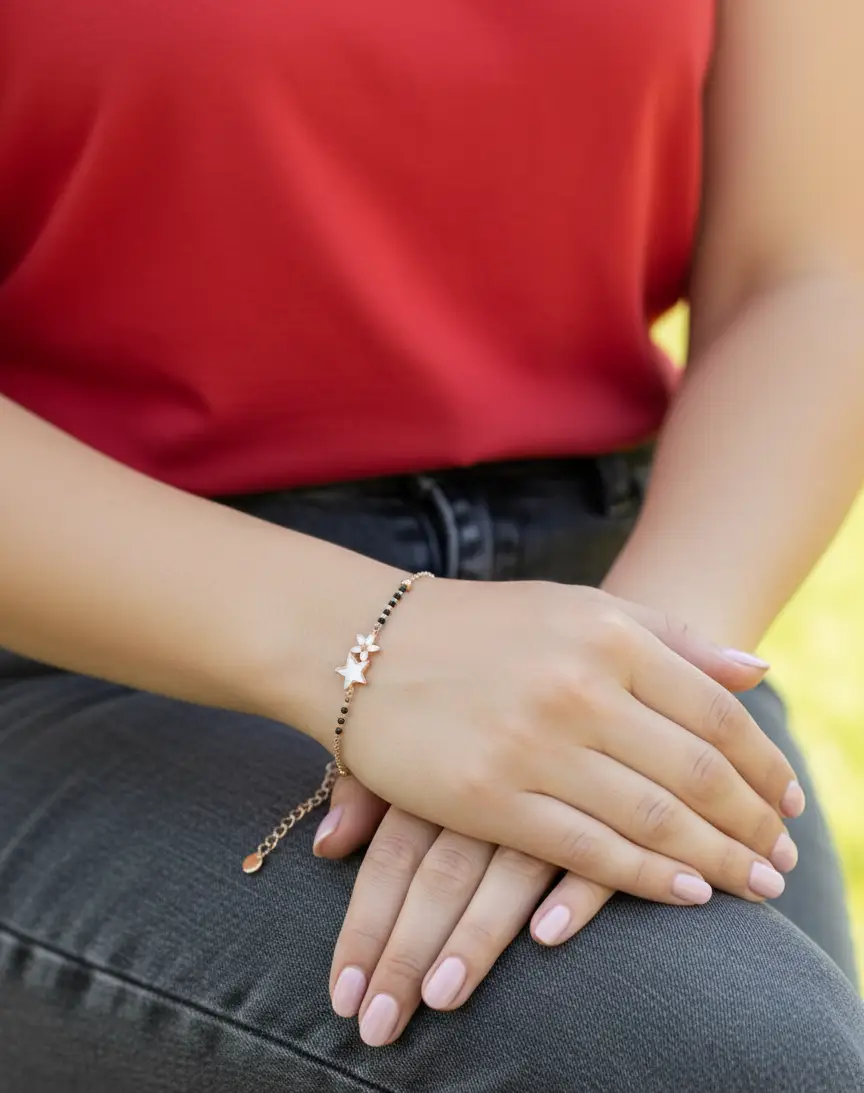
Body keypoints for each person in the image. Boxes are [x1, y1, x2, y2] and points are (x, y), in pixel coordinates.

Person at [1, 0, 863, 1089]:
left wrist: (633, 685)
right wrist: (376, 653)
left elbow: (811, 271)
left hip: (609, 585)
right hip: (87, 629)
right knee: (717, 1053)